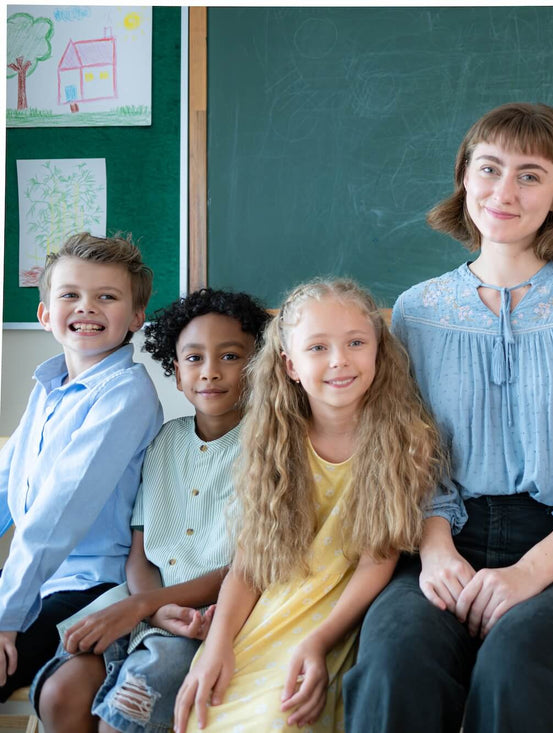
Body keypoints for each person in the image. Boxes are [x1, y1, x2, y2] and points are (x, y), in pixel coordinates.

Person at [344, 102, 553, 733]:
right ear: (464, 177)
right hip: (441, 542)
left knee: (518, 667)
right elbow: (407, 453)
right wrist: (433, 551)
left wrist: (528, 573)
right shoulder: (416, 311)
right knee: (392, 665)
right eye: (490, 168)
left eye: (531, 174)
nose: (504, 191)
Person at [172, 279, 444, 732]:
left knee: (278, 720)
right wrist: (217, 645)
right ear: (290, 365)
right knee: (212, 716)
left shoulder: (404, 439)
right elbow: (250, 563)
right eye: (317, 347)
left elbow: (379, 558)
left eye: (356, 343)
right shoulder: (274, 439)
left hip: (344, 619)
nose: (339, 360)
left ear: (379, 350)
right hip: (269, 617)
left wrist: (319, 642)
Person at [33, 288, 271, 733]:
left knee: (125, 717)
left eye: (231, 357)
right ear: (176, 372)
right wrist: (147, 607)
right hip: (141, 602)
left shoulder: (270, 451)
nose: (211, 372)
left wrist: (150, 606)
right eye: (195, 358)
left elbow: (249, 567)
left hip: (210, 616)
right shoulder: (165, 441)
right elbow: (140, 553)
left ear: (259, 367)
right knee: (60, 694)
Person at [0, 232, 162, 700]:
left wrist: (7, 617)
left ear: (135, 317)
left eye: (106, 297)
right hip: (37, 580)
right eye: (70, 295)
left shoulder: (125, 393)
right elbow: (6, 482)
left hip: (90, 588)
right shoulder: (49, 386)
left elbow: (58, 512)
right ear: (46, 313)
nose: (86, 307)